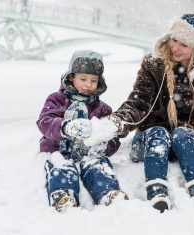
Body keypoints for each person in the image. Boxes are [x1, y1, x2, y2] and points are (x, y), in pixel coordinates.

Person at [96, 14, 194, 212]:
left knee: (183, 133)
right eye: (174, 39)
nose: (175, 47)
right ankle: (157, 193)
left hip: (185, 143)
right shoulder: (154, 64)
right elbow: (138, 103)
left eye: (183, 44)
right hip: (149, 142)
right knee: (158, 132)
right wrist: (116, 123)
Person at [37, 50, 128, 212]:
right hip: (59, 150)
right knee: (62, 167)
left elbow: (112, 137)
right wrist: (65, 127)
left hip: (88, 153)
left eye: (93, 80)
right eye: (83, 79)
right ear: (71, 76)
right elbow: (45, 122)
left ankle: (108, 193)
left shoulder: (102, 109)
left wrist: (105, 145)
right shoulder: (57, 100)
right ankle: (63, 195)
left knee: (98, 166)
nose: (88, 85)